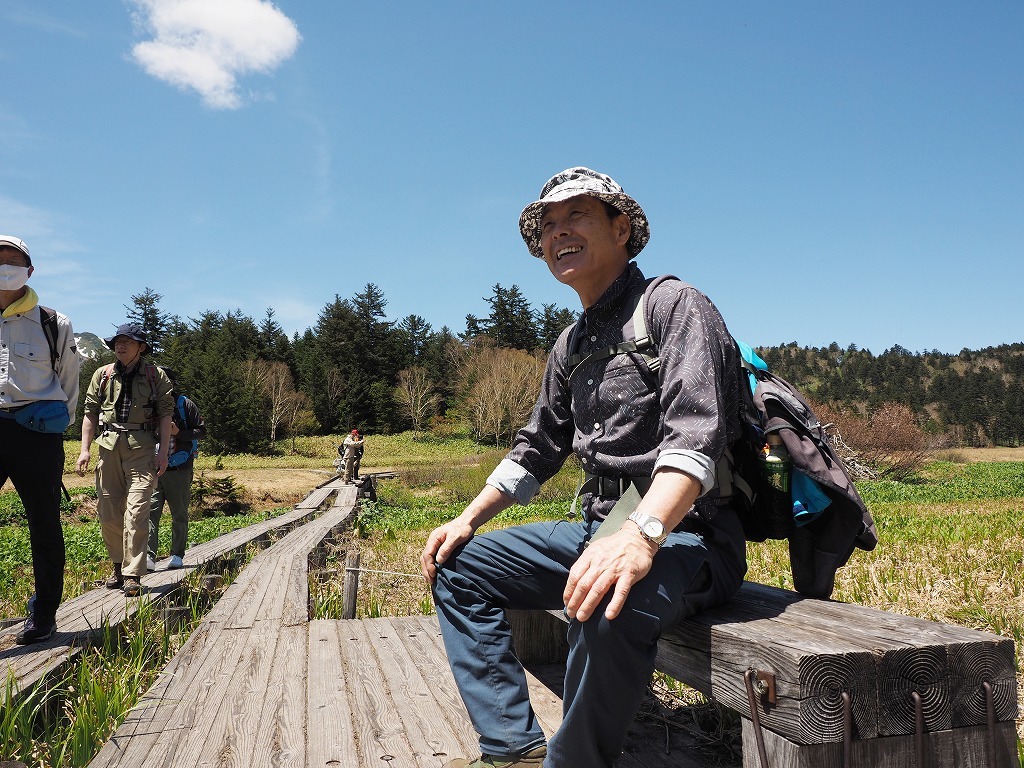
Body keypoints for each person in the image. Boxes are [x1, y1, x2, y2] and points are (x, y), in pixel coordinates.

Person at [420, 168, 749, 768]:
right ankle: (511, 749)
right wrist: (466, 519)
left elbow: (696, 437)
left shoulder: (675, 307)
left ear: (622, 229)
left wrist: (641, 535)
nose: (558, 233)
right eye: (548, 225)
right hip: (600, 530)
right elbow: (537, 447)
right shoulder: (570, 344)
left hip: (691, 535)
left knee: (604, 600)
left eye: (577, 217)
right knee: (458, 566)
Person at [0, 235, 80, 645]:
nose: (4, 266)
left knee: (44, 524)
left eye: (12, 261)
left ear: (29, 271)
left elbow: (69, 384)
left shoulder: (54, 322)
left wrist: (52, 422)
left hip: (35, 432)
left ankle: (44, 614)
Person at [76, 323, 174, 597]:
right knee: (108, 513)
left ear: (141, 347)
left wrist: (163, 451)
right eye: (118, 341)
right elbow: (90, 413)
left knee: (137, 511)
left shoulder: (157, 377)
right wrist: (84, 450)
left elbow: (166, 416)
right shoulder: (102, 375)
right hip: (108, 448)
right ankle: (118, 566)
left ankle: (133, 574)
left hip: (142, 449)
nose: (120, 346)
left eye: (127, 342)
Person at [147, 367, 205, 571]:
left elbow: (201, 431)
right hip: (152, 469)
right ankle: (148, 557)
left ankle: (177, 555)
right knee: (149, 513)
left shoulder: (185, 405)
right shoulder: (148, 405)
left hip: (179, 469)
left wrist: (179, 432)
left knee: (179, 513)